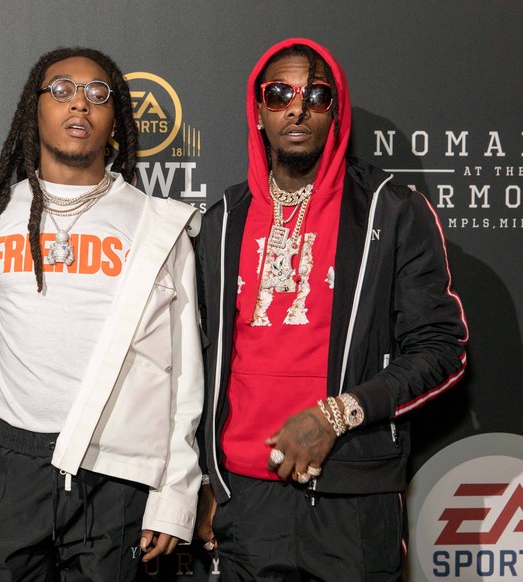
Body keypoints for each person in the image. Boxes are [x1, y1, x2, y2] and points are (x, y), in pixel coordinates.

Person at [195, 38, 468, 581]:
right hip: (244, 503)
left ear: (336, 111)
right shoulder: (222, 220)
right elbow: (194, 363)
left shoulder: (392, 211)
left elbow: (441, 350)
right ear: (259, 112)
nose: (297, 108)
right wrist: (206, 481)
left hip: (352, 502)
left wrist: (335, 415)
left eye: (317, 95)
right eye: (280, 94)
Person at [0, 47, 203, 580]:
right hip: (9, 460)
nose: (79, 103)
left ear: (116, 118)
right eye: (61, 90)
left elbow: (183, 370)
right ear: (35, 108)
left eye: (97, 94)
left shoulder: (157, 225)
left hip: (112, 468)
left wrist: (175, 494)